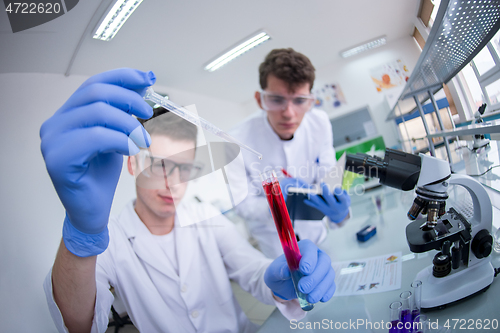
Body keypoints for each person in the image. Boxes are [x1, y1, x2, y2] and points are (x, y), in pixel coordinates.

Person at [40, 68, 336, 333]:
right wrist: (82, 234)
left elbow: (254, 271)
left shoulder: (205, 216)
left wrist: (280, 280)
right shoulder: (110, 239)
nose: (173, 182)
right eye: (159, 165)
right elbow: (78, 323)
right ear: (132, 165)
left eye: (183, 168)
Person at [230, 48, 351, 259]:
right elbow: (241, 204)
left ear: (311, 101)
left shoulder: (319, 123)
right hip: (275, 245)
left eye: (299, 100)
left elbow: (328, 177)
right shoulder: (236, 139)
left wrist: (340, 214)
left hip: (317, 236)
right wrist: (273, 204)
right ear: (260, 100)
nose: (288, 113)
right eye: (277, 100)